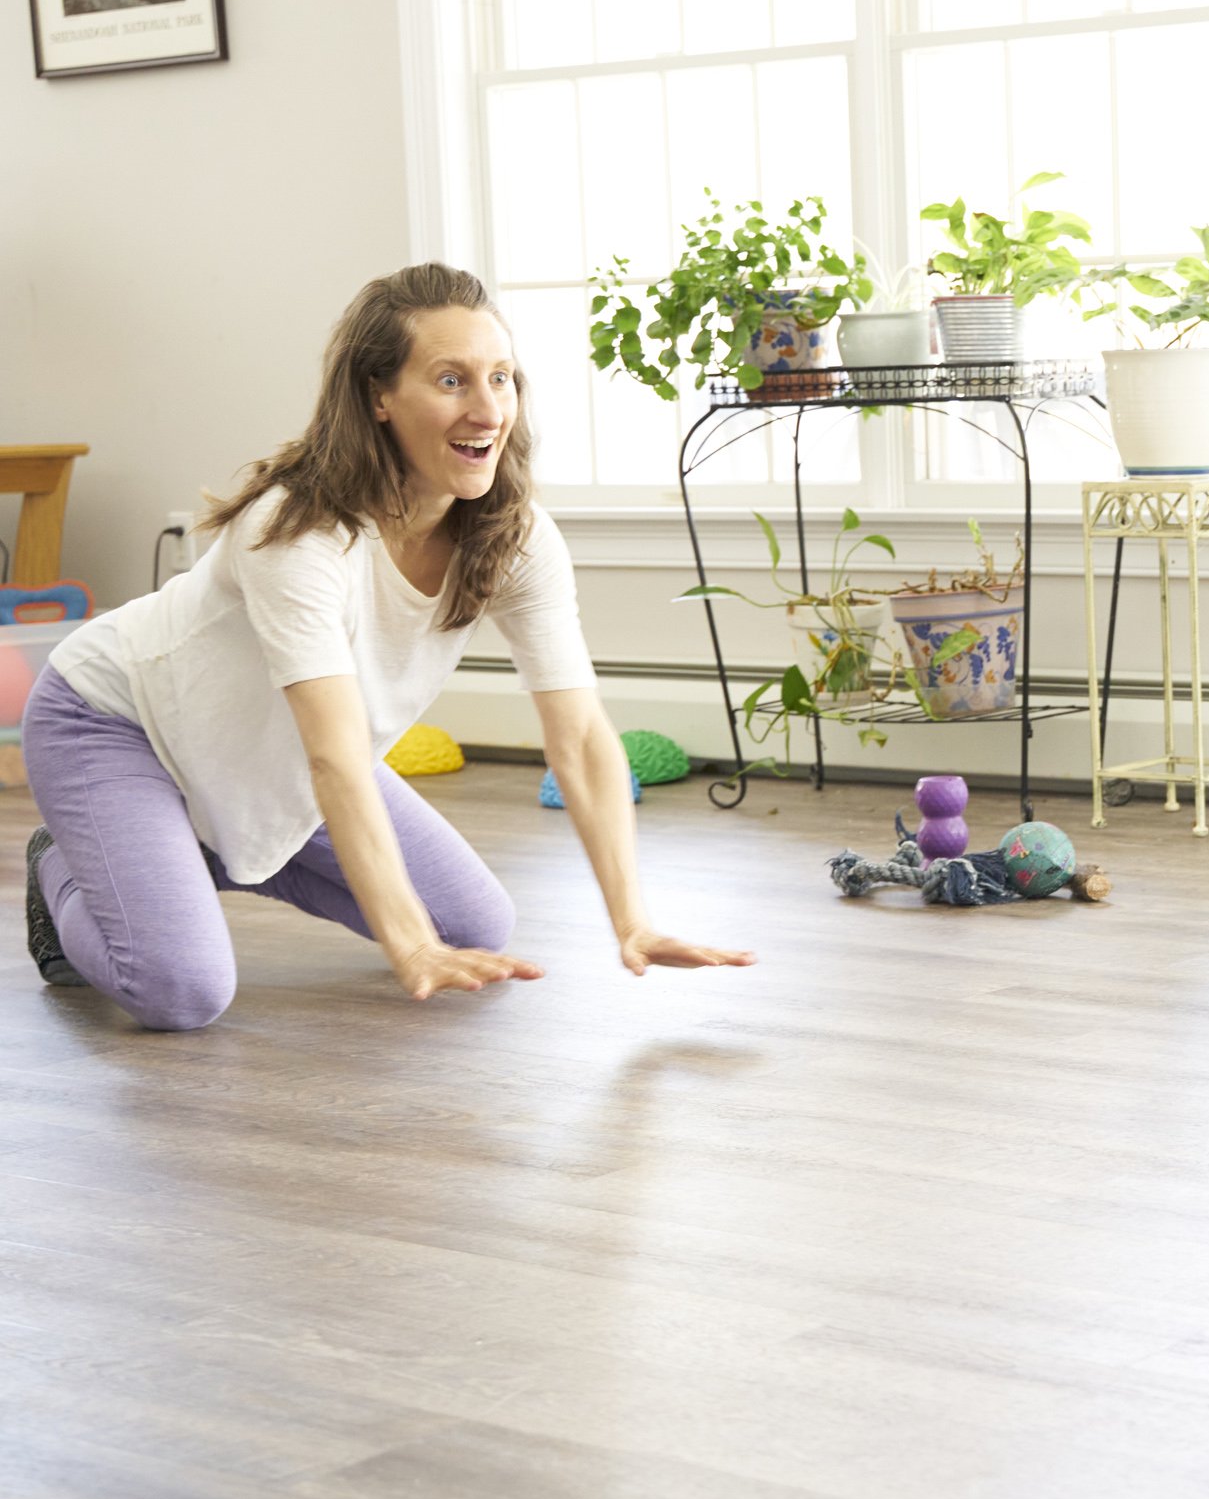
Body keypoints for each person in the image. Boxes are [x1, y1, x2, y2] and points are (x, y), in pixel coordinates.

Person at [20, 263, 753, 1030]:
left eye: (501, 378)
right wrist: (407, 947)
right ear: (379, 396)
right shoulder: (298, 532)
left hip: (264, 754)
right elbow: (335, 756)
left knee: (474, 931)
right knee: (181, 990)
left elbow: (580, 736)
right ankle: (66, 870)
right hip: (115, 725)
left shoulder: (516, 538)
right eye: (450, 380)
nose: (487, 409)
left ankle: (172, 854)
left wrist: (630, 919)